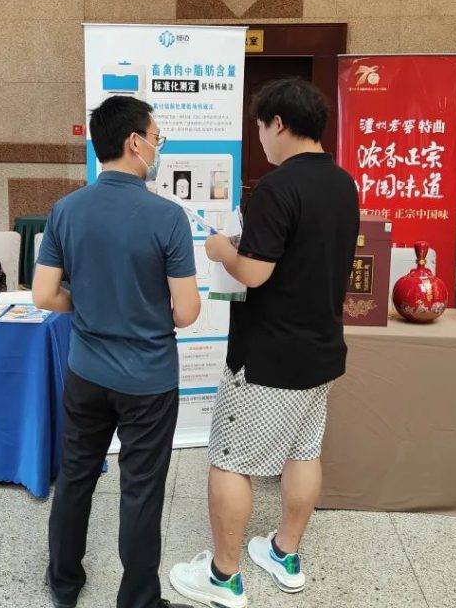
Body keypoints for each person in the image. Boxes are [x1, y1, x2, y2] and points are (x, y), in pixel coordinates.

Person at [169, 78, 359, 608]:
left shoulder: (277, 187)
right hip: (321, 350)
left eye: (259, 128)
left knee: (230, 460)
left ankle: (223, 577)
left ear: (278, 123)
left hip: (268, 357)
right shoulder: (343, 183)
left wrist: (220, 250)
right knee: (304, 451)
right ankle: (284, 553)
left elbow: (254, 272)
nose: (260, 139)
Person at [33, 95, 201, 608]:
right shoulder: (167, 217)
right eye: (155, 137)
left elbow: (43, 294)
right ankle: (137, 600)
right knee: (141, 489)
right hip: (148, 380)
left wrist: (87, 306)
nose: (158, 146)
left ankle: (64, 583)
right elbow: (187, 311)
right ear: (134, 142)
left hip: (85, 372)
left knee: (76, 475)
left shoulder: (66, 210)